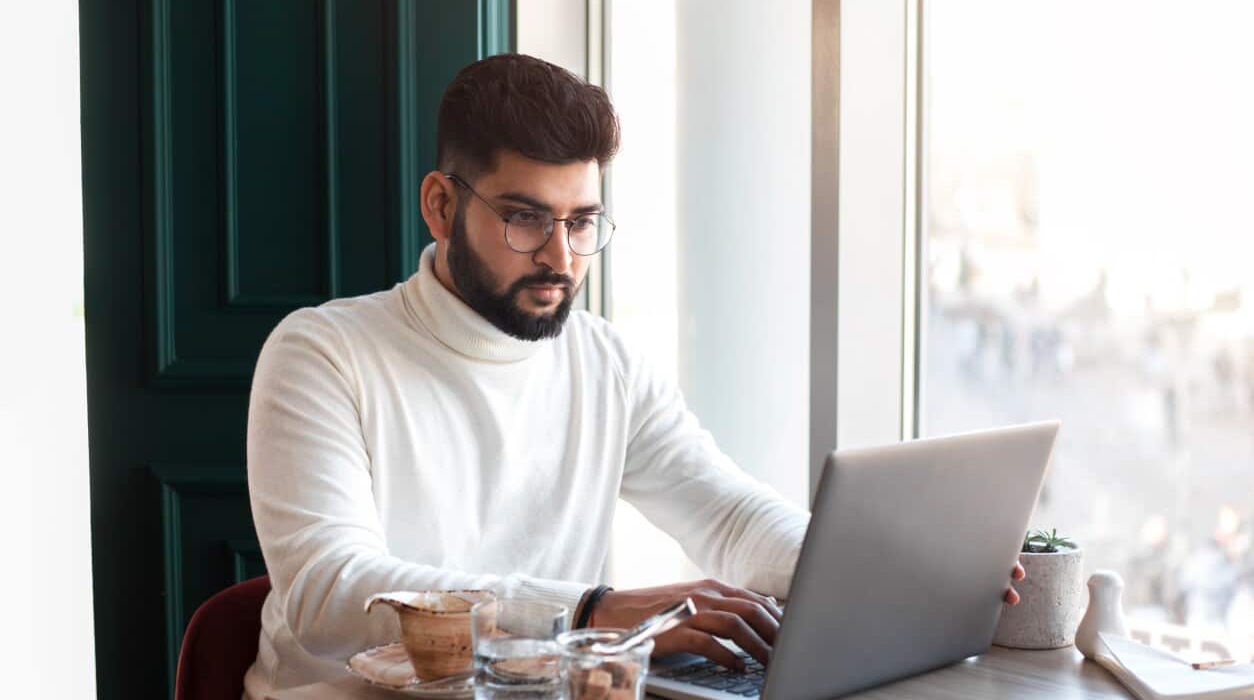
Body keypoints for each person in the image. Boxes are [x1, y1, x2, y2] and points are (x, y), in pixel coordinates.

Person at [242, 53, 1024, 699]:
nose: (561, 256)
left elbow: (728, 516)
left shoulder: (605, 361)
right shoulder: (322, 352)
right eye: (525, 218)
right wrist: (591, 610)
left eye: (582, 222)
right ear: (442, 206)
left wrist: (892, 568)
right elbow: (330, 589)